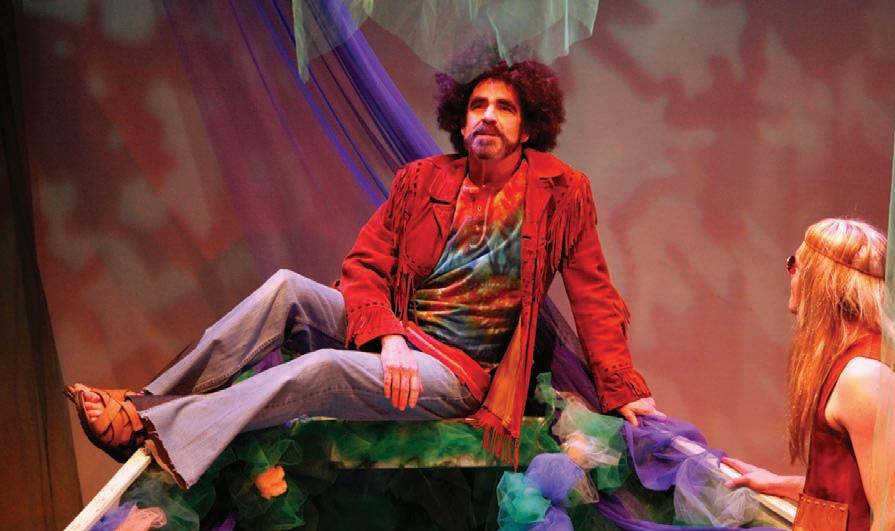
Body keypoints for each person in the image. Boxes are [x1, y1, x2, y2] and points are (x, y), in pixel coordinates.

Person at [67, 60, 661, 491]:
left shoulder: (562, 192)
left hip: (457, 373)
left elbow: (593, 295)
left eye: (504, 107)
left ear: (528, 128)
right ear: (461, 121)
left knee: (322, 367)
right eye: (477, 106)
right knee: (286, 288)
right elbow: (365, 265)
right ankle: (150, 401)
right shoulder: (422, 180)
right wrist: (390, 337)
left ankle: (148, 424)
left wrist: (625, 388)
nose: (487, 116)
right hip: (400, 339)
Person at [722, 219, 895, 531]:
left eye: (793, 263)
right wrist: (779, 484)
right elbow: (861, 494)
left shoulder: (863, 377)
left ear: (820, 278)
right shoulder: (867, 362)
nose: (790, 274)